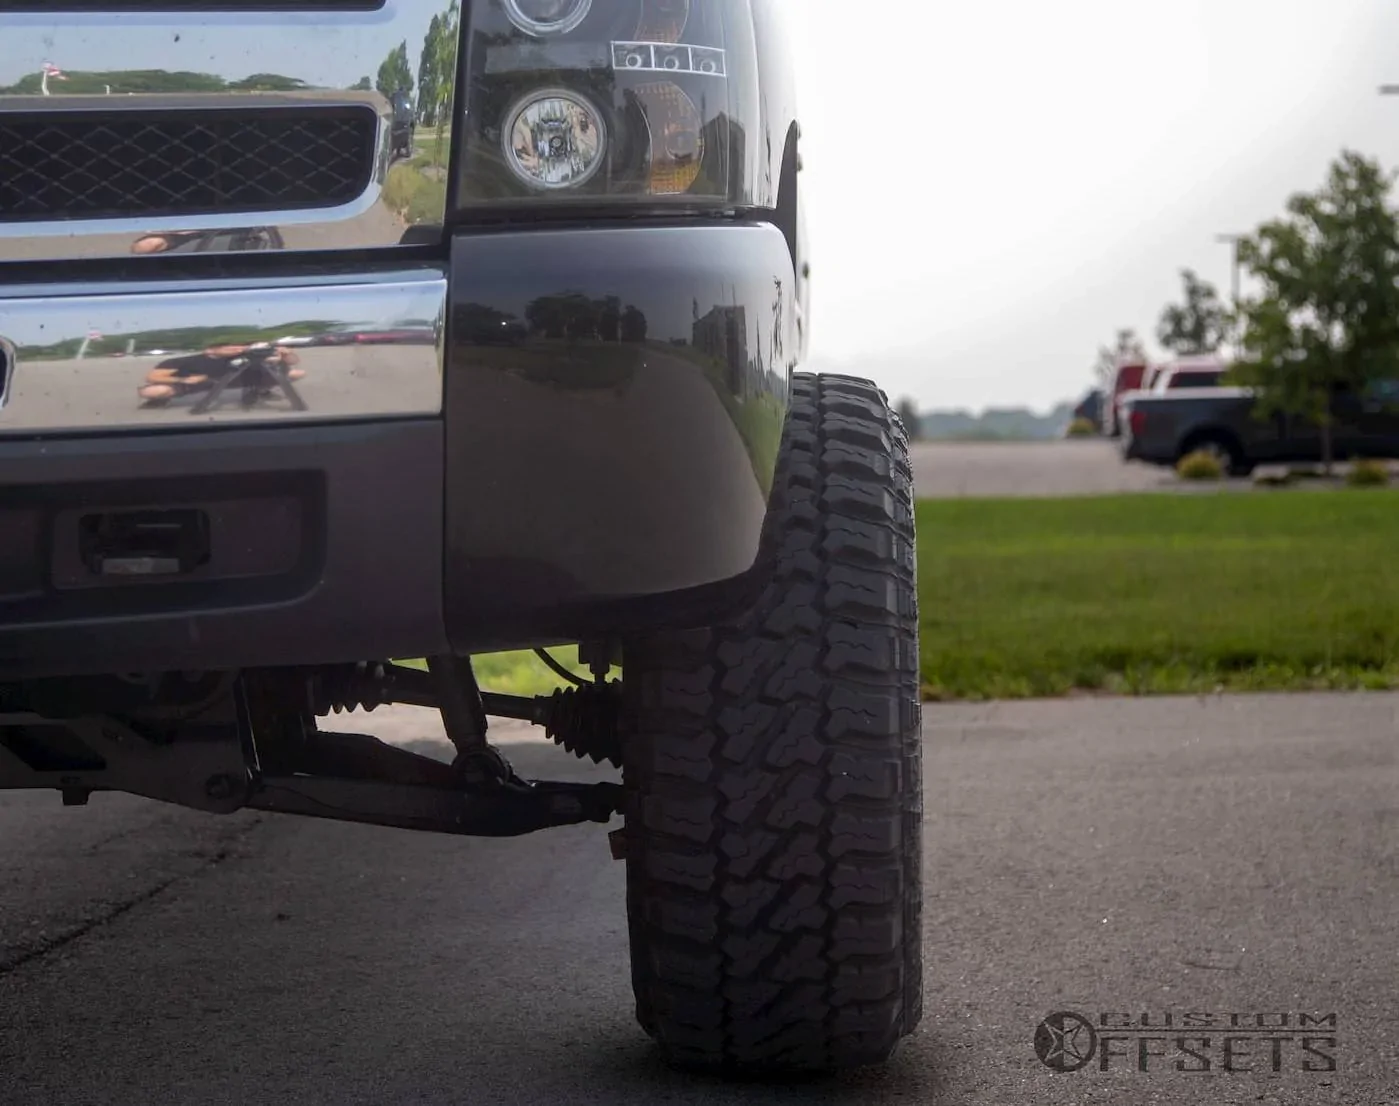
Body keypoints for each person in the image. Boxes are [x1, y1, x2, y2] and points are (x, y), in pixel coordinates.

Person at [138, 344, 304, 405]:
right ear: (209, 349)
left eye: (238, 346)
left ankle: (262, 390)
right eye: (227, 347)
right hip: (194, 383)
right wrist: (184, 379)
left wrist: (286, 353)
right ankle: (160, 400)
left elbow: (291, 362)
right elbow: (151, 377)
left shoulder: (243, 355)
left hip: (234, 380)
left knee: (296, 373)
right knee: (153, 391)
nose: (236, 349)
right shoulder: (185, 361)